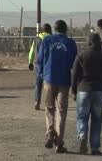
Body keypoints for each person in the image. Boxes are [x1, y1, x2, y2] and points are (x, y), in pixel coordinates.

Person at [37, 20, 78, 153]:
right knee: (62, 111)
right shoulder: (70, 43)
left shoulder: (47, 41)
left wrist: (42, 74)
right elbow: (75, 63)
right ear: (66, 29)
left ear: (54, 29)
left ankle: (49, 132)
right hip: (64, 81)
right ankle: (59, 142)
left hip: (49, 79)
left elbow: (39, 60)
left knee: (49, 108)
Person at [72, 33, 102, 155]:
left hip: (83, 90)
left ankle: (82, 135)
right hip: (98, 91)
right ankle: (95, 148)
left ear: (88, 42)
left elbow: (74, 74)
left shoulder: (81, 55)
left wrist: (74, 90)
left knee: (81, 117)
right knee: (97, 120)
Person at [28, 23, 52, 110]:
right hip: (49, 64)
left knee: (38, 84)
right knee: (50, 84)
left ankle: (37, 102)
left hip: (38, 64)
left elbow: (31, 51)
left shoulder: (36, 39)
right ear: (49, 30)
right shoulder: (51, 39)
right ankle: (49, 102)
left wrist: (30, 62)